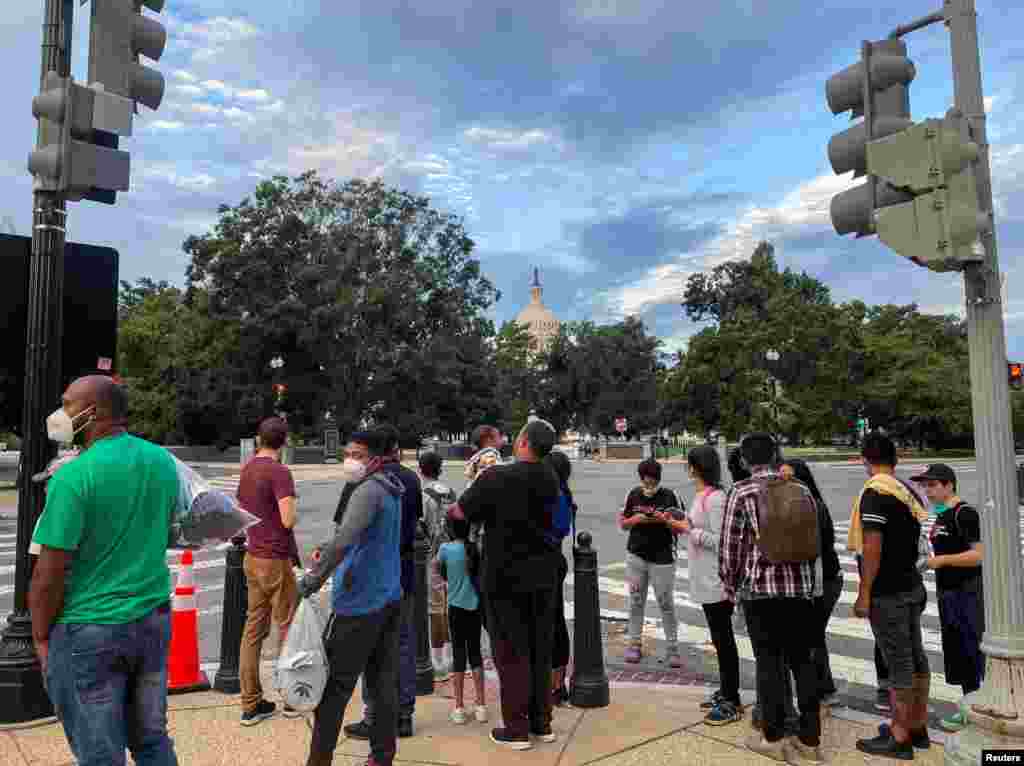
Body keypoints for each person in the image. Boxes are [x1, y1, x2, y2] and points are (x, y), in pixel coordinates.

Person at [29, 375, 180, 765]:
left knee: (100, 752)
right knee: (151, 738)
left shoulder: (74, 478)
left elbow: (50, 572)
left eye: (67, 405)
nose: (60, 414)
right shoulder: (160, 460)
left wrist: (41, 635)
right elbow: (169, 529)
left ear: (91, 413)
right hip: (152, 618)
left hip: (89, 630)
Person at [448, 419, 561, 749]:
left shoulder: (497, 477)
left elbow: (459, 512)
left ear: (524, 443)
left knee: (510, 651)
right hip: (542, 573)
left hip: (504, 575)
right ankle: (542, 722)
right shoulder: (549, 476)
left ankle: (516, 728)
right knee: (540, 647)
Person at [296, 428, 405, 766]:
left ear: (374, 457)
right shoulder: (391, 487)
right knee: (382, 683)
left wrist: (314, 579)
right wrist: (327, 550)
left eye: (356, 454)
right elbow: (358, 540)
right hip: (388, 596)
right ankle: (382, 756)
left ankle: (319, 760)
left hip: (360, 602)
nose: (349, 460)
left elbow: (345, 539)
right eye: (348, 452)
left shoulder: (368, 491)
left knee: (335, 690)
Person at [719, 433, 822, 763]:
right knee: (803, 664)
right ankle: (809, 740)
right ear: (777, 455)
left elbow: (730, 550)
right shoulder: (801, 489)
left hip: (761, 592)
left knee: (769, 665)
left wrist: (730, 586)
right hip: (800, 592)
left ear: (746, 461)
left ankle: (773, 736)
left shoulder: (742, 491)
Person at [851, 433, 932, 759]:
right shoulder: (904, 490)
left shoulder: (875, 492)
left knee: (898, 664)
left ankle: (899, 738)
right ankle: (917, 726)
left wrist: (864, 592)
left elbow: (872, 546)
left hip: (888, 592)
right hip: (912, 585)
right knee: (916, 658)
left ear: (865, 459)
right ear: (894, 459)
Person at [345, 425, 422, 740]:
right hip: (403, 569)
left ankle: (373, 714)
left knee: (370, 648)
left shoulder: (365, 482)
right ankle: (403, 714)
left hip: (372, 574)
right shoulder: (411, 479)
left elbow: (346, 532)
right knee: (402, 645)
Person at [665, 446, 741, 726]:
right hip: (704, 577)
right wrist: (680, 524)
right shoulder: (703, 496)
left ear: (695, 468)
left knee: (724, 640)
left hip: (717, 580)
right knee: (719, 639)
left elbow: (722, 541)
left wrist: (688, 530)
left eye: (689, 464)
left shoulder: (717, 498)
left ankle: (732, 699)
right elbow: (697, 534)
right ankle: (726, 691)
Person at [236, 416, 300, 726]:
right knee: (287, 626)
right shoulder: (279, 472)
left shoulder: (248, 469)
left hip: (252, 555)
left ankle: (250, 703)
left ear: (259, 440)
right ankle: (290, 698)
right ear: (284, 442)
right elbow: (287, 519)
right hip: (275, 557)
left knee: (253, 630)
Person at [913, 463, 984, 733]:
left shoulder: (964, 513)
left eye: (932, 485)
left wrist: (938, 561)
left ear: (949, 485)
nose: (927, 491)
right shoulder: (942, 515)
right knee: (959, 654)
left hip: (967, 591)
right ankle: (969, 707)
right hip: (949, 592)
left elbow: (979, 555)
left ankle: (980, 710)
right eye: (924, 485)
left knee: (973, 650)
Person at [780, 458, 844, 709]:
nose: (785, 484)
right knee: (812, 636)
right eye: (781, 479)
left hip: (823, 581)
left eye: (790, 478)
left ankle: (822, 692)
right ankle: (823, 690)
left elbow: (814, 548)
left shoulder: (812, 506)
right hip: (813, 581)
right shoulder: (792, 506)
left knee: (810, 636)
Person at [618, 458, 684, 668]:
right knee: (636, 600)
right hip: (636, 555)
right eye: (646, 482)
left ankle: (672, 648)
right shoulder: (633, 494)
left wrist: (665, 519)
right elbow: (623, 524)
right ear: (641, 479)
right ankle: (634, 643)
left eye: (653, 482)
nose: (649, 486)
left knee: (665, 602)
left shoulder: (670, 495)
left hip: (663, 557)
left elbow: (682, 526)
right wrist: (636, 519)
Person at [434, 516, 488, 725]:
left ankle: (459, 706)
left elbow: (435, 567)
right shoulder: (474, 549)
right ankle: (481, 705)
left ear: (450, 530)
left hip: (455, 608)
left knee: (458, 655)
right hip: (474, 607)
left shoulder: (446, 549)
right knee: (475, 654)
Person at [419, 450, 456, 680]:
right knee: (450, 603)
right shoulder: (450, 493)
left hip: (432, 556)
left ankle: (438, 659)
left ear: (421, 470)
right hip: (452, 553)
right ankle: (453, 656)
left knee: (434, 608)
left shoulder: (424, 495)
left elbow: (423, 529)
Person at [544, 449, 577, 707]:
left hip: (548, 562)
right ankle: (558, 684)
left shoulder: (553, 496)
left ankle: (554, 684)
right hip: (556, 560)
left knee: (549, 624)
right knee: (556, 622)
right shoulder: (565, 494)